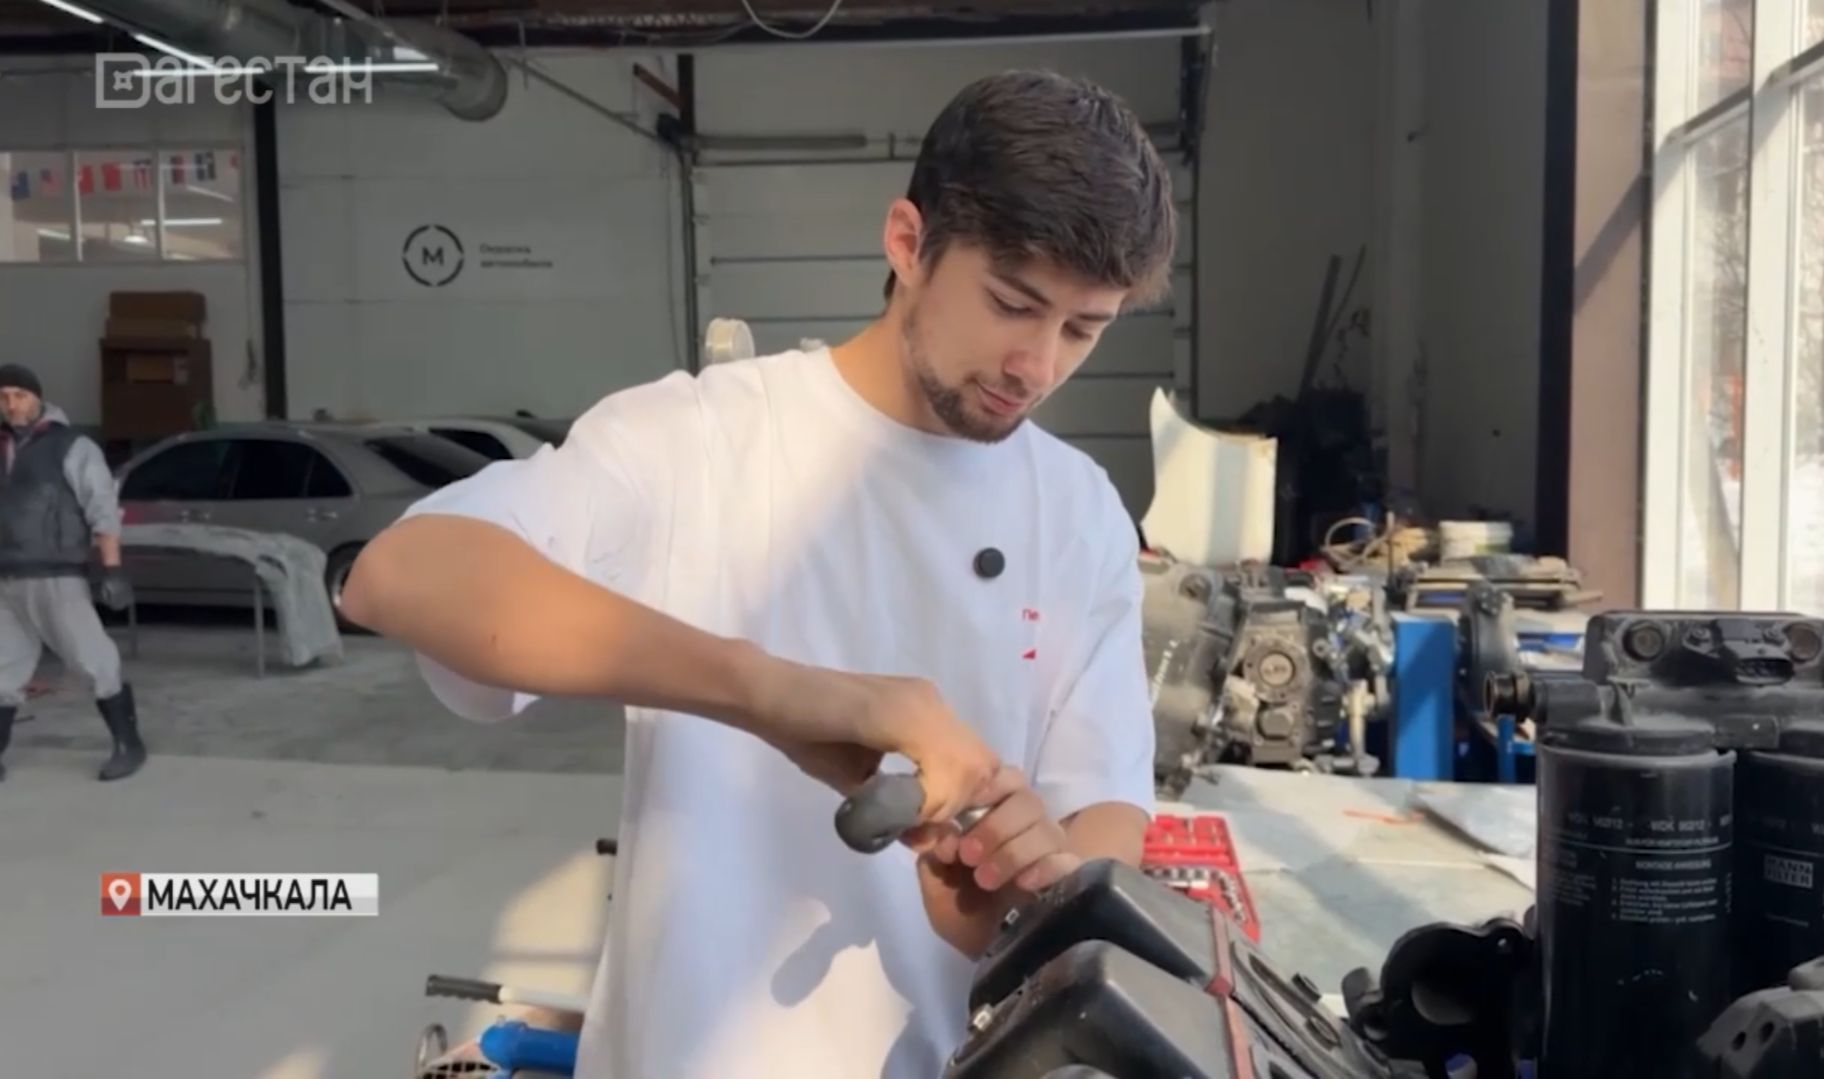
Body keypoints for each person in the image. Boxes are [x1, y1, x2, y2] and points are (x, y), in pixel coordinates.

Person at [341, 69, 1176, 1079]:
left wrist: (1020, 896)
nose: (1036, 366)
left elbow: (1104, 815)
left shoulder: (1078, 508)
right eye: (1011, 303)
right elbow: (405, 571)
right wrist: (777, 693)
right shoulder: (704, 437)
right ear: (907, 243)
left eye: (1083, 329)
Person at [0, 363, 142, 782]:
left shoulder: (72, 445)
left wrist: (112, 568)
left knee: (92, 660)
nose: (11, 404)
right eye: (3, 397)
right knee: (2, 668)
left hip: (57, 575)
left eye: (20, 395)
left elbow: (102, 507)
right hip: (6, 578)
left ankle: (128, 744)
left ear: (38, 397)